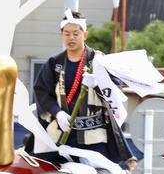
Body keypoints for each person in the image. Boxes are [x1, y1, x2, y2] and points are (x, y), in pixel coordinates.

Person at [33, 9, 132, 162]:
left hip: (94, 138)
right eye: (67, 34)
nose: (71, 37)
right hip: (62, 135)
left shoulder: (99, 61)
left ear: (85, 35)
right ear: (61, 35)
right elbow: (41, 92)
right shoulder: (55, 63)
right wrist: (57, 113)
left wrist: (98, 84)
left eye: (75, 33)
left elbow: (115, 91)